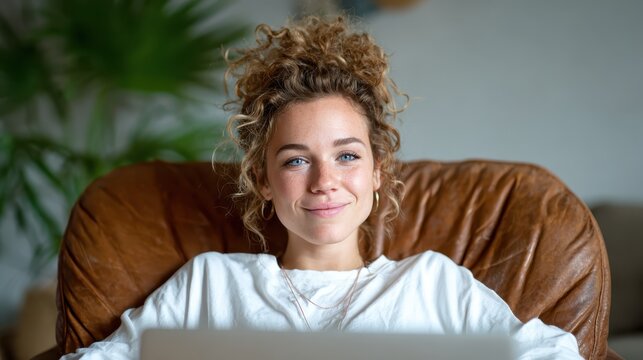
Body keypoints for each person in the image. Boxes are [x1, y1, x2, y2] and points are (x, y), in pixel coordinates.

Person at [61, 16, 582, 359]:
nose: (324, 181)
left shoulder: (434, 285)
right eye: (295, 160)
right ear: (263, 180)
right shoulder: (209, 285)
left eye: (347, 156)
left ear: (377, 171)